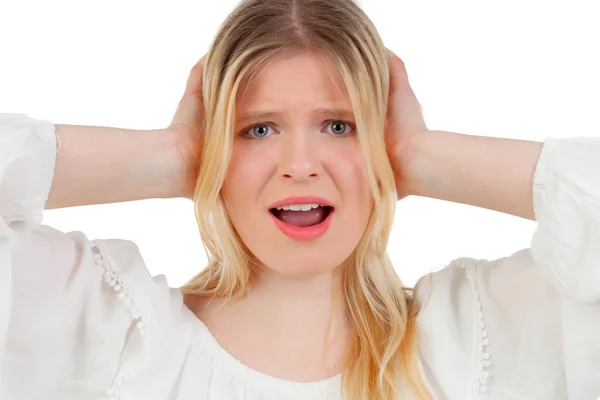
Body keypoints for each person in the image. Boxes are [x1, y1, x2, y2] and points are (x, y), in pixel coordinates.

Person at [1, 0, 599, 399]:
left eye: (339, 126)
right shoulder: (112, 334)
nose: (300, 166)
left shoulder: (479, 335)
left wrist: (420, 154)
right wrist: (175, 154)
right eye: (258, 129)